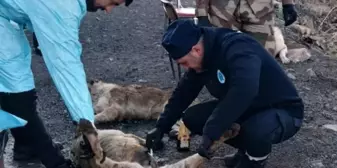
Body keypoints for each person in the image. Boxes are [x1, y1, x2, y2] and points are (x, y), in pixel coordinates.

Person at [145, 20, 304, 168]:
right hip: (248, 108)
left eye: (184, 63)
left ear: (196, 49)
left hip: (282, 111)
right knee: (193, 118)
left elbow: (244, 90)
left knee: (255, 131)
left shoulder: (238, 47)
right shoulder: (202, 58)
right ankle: (246, 150)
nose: (186, 68)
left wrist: (213, 130)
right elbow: (183, 93)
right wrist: (161, 127)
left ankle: (254, 160)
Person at [0, 0, 133, 168]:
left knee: (14, 81)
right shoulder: (61, 5)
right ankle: (56, 164)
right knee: (17, 94)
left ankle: (26, 146)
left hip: (5, 15)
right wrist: (86, 126)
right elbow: (66, 66)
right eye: (112, 2)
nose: (108, 10)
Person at [194, 0, 298, 57]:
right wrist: (202, 13)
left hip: (260, 10)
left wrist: (288, 4)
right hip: (222, 11)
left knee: (263, 57)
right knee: (219, 55)